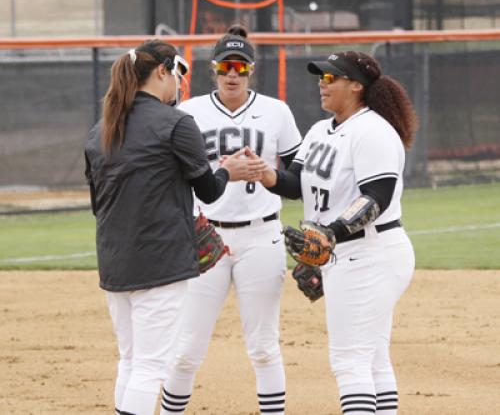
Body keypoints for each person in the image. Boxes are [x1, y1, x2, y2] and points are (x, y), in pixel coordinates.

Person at [84, 39, 264, 415]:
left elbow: (97, 205)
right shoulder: (177, 123)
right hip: (161, 261)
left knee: (131, 359)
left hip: (115, 260)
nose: (181, 82)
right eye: (178, 72)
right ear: (162, 72)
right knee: (151, 367)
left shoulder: (103, 127)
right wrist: (227, 170)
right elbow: (210, 192)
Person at [254, 51, 418, 415]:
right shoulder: (318, 131)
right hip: (349, 253)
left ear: (357, 86)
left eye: (330, 78)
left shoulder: (373, 130)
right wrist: (265, 174)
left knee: (349, 360)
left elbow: (376, 197)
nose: (321, 84)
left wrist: (330, 234)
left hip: (371, 253)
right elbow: (296, 184)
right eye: (320, 77)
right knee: (372, 357)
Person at [162, 26, 302, 415]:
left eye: (240, 66)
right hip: (206, 236)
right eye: (226, 65)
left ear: (251, 70)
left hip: (261, 236)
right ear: (214, 69)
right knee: (187, 348)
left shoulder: (277, 112)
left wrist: (269, 176)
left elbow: (298, 183)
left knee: (263, 345)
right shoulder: (188, 112)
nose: (233, 74)